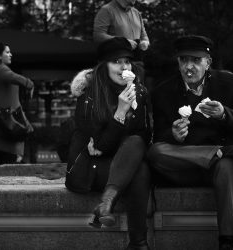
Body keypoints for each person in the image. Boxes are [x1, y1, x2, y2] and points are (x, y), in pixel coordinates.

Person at [147, 35, 233, 250]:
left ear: (208, 62)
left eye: (196, 61)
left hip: (218, 169)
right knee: (155, 151)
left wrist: (224, 114)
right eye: (183, 60)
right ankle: (226, 151)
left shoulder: (229, 83)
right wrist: (173, 135)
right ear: (177, 62)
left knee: (228, 166)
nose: (189, 67)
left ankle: (227, 241)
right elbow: (160, 139)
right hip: (184, 167)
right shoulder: (162, 92)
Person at [65, 37, 152, 250]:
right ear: (104, 66)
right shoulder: (89, 95)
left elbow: (143, 135)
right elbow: (100, 147)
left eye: (127, 61)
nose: (124, 67)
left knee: (136, 149)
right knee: (138, 169)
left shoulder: (138, 92)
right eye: (117, 61)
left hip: (124, 161)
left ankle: (106, 205)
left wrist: (133, 108)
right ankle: (138, 244)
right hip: (91, 167)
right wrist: (121, 112)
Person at [0, 42, 34, 164]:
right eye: (7, 52)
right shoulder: (1, 69)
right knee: (7, 165)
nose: (11, 54)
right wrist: (30, 84)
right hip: (5, 125)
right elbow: (15, 78)